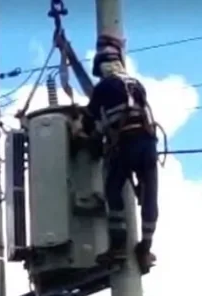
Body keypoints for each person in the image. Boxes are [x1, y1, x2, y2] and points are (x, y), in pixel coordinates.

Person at [82, 36, 158, 273]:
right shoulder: (136, 84)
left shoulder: (104, 87)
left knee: (113, 191)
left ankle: (118, 246)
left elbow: (89, 120)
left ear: (102, 67)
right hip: (147, 146)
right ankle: (145, 247)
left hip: (124, 146)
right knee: (149, 197)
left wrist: (87, 135)